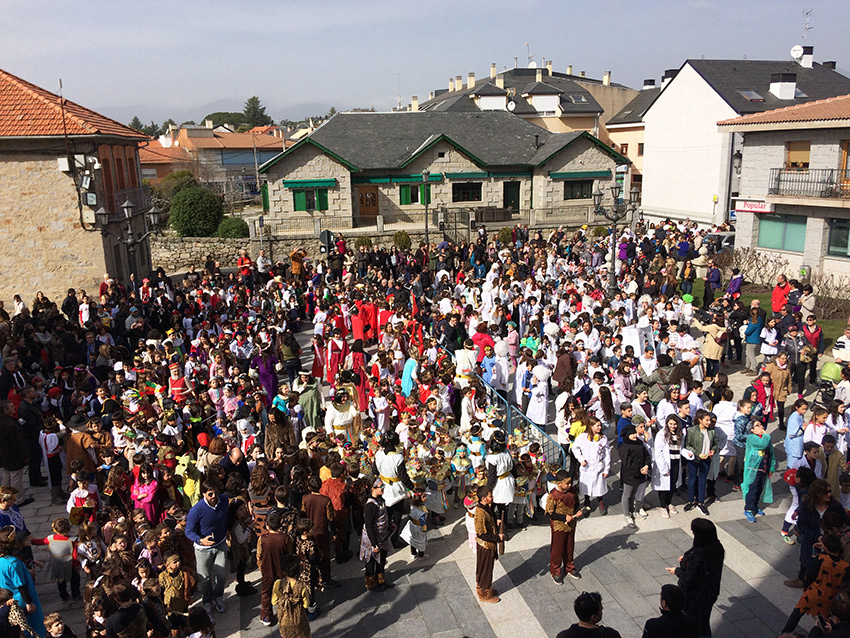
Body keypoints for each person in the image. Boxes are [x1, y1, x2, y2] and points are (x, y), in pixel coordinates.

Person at [666, 518, 724, 638]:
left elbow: (689, 578)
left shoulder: (697, 555)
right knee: (704, 620)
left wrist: (676, 570)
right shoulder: (717, 547)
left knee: (693, 623)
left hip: (695, 596)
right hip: (710, 593)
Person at [185, 481, 229, 616]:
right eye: (210, 494)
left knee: (221, 575)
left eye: (216, 492)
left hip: (220, 544)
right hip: (202, 550)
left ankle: (218, 597)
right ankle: (207, 603)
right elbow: (189, 531)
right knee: (205, 579)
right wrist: (201, 540)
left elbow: (226, 517)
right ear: (204, 494)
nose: (214, 496)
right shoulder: (196, 510)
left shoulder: (224, 500)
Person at [0, 526, 44, 637]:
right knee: (33, 627)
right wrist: (29, 603)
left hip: (7, 598)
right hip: (21, 599)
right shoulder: (13, 562)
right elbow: (21, 585)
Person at [545, 470, 582, 584]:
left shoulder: (572, 491)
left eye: (570, 483)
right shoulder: (553, 495)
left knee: (569, 547)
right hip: (558, 526)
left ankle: (569, 566)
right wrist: (563, 517)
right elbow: (548, 513)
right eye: (567, 483)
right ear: (559, 483)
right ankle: (555, 571)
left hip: (571, 524)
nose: (569, 485)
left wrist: (577, 511)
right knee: (557, 549)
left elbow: (576, 503)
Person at [360, 479, 393, 592]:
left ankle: (381, 579)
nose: (383, 488)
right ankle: (371, 583)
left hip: (382, 536)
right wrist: (374, 543)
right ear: (373, 489)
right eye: (380, 486)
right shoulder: (370, 505)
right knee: (371, 561)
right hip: (372, 538)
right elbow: (369, 525)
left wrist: (390, 524)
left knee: (382, 558)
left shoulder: (381, 500)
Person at [683, 410, 718, 515]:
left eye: (709, 420)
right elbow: (688, 445)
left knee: (703, 481)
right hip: (695, 459)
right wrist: (697, 453)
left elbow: (715, 444)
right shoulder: (692, 430)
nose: (708, 422)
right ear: (700, 420)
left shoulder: (711, 431)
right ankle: (690, 501)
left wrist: (713, 450)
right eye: (706, 420)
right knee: (692, 480)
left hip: (706, 459)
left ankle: (700, 502)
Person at [741, 419, 775, 523]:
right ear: (752, 430)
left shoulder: (765, 438)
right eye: (757, 425)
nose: (761, 427)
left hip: (763, 468)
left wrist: (772, 467)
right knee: (753, 488)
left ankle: (755, 506)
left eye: (760, 425)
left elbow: (771, 453)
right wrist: (766, 435)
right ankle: (748, 508)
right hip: (753, 469)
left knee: (760, 488)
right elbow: (762, 445)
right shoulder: (751, 438)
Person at [474, 485, 503, 603]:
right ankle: (484, 594)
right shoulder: (480, 513)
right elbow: (481, 533)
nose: (492, 497)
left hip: (489, 545)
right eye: (490, 496)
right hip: (485, 546)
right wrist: (497, 537)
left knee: (487, 568)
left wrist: (495, 521)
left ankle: (487, 588)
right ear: (484, 498)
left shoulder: (486, 507)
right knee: (485, 569)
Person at [271, 554, 312, 638]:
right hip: (300, 619)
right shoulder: (301, 585)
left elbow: (274, 601)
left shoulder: (278, 584)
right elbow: (306, 604)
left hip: (284, 620)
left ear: (283, 571)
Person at [619, 423, 651, 528]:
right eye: (631, 434)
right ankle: (626, 514)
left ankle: (632, 509)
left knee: (634, 493)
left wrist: (646, 466)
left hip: (641, 474)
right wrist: (639, 470)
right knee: (627, 494)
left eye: (634, 433)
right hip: (630, 475)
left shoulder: (639, 443)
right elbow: (627, 463)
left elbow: (647, 455)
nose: (634, 435)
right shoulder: (624, 447)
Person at [555, 591, 622, 638]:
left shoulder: (563, 636)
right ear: (594, 617)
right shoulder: (610, 634)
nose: (602, 610)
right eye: (601, 610)